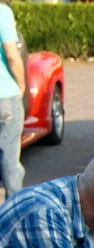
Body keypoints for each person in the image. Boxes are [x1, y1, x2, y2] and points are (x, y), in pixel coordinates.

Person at [0, 0, 25, 201]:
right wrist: (21, 84)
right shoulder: (3, 12)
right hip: (4, 95)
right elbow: (12, 55)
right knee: (9, 162)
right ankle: (12, 216)